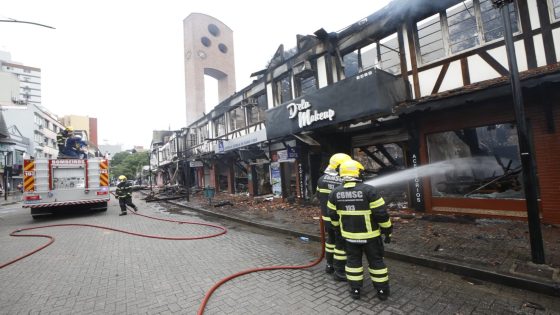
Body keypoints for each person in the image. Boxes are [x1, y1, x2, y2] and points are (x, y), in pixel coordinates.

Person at [327, 159, 392, 301]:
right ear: (357, 173)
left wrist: (338, 230)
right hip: (371, 237)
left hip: (349, 238)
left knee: (353, 263)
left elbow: (332, 216)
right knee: (376, 263)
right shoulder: (370, 190)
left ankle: (355, 290)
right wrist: (387, 231)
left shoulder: (334, 193)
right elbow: (381, 215)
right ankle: (382, 291)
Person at [316, 153, 351, 280]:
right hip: (341, 219)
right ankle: (340, 271)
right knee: (340, 245)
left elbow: (318, 196)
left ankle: (329, 265)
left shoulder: (321, 179)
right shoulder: (345, 181)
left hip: (327, 219)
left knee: (331, 241)